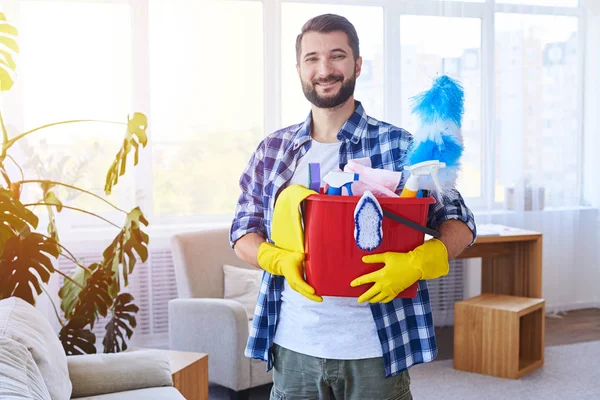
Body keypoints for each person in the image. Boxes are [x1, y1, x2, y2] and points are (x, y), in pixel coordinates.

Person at [230, 13, 476, 400]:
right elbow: (242, 231)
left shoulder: (398, 147)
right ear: (298, 68)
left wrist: (418, 262)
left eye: (337, 56)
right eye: (312, 58)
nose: (324, 69)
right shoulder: (273, 150)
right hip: (293, 346)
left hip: (374, 348)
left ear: (358, 64)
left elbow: (460, 223)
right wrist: (276, 260)